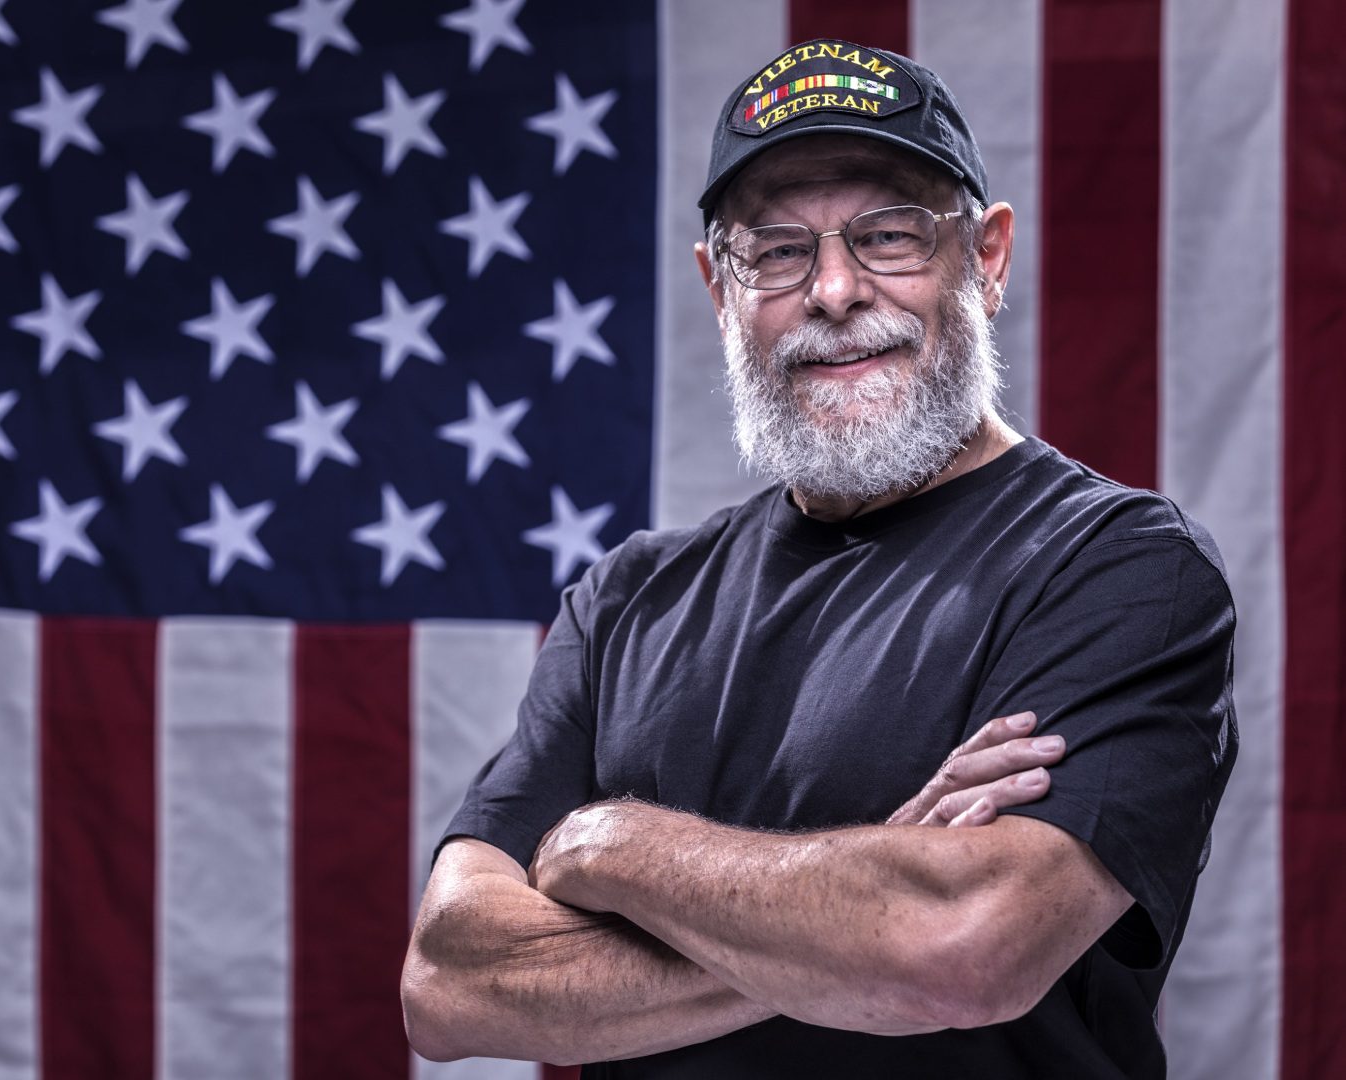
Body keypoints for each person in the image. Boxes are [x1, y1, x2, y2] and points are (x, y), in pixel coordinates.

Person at [401, 37, 1236, 1078]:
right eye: (778, 249)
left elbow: (964, 952)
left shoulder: (1116, 570)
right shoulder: (628, 603)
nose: (835, 291)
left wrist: (608, 846)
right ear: (720, 287)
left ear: (985, 257)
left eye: (889, 235)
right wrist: (860, 908)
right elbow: (449, 986)